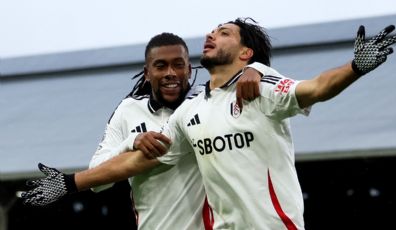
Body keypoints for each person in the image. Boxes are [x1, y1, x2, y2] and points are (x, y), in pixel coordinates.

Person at [22, 18, 396, 229]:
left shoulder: (262, 85)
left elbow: (316, 88)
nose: (210, 35)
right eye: (211, 31)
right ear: (147, 70)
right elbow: (137, 163)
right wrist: (70, 182)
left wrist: (356, 67)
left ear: (245, 52)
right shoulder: (185, 113)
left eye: (223, 33)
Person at [21, 32, 263, 230]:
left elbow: (255, 80)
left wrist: (257, 69)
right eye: (161, 66)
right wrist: (131, 141)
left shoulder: (209, 99)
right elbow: (97, 181)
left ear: (189, 70)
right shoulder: (128, 110)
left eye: (178, 65)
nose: (170, 73)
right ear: (147, 73)